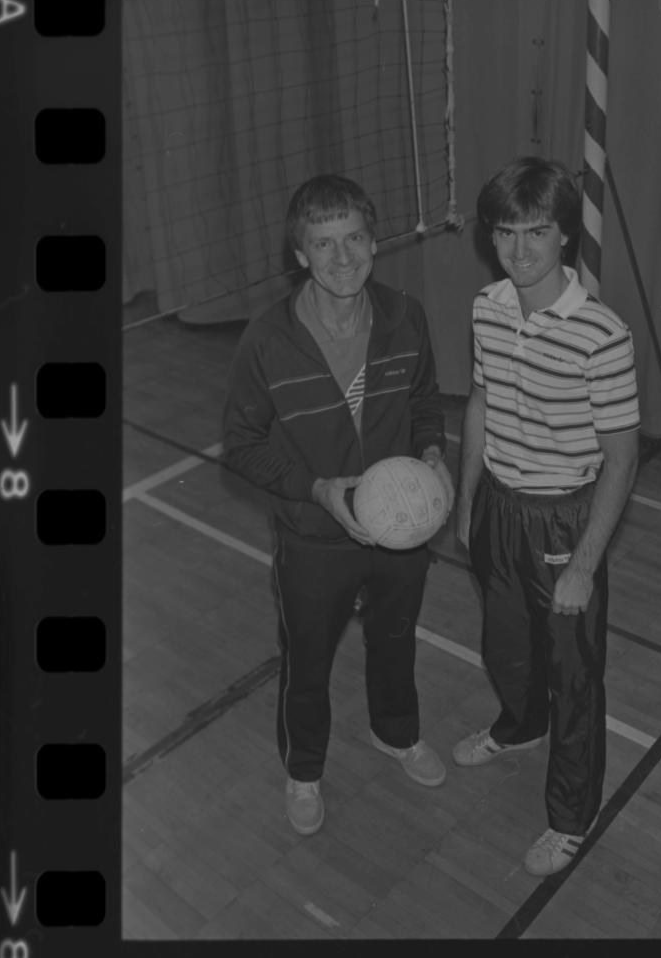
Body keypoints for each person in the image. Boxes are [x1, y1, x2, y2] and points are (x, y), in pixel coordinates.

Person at [222, 174, 454, 836]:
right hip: (314, 537)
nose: (342, 257)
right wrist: (316, 488)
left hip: (400, 533)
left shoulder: (405, 316)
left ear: (374, 243)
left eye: (354, 238)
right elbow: (239, 444)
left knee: (394, 640)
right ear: (300, 255)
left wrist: (432, 454)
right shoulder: (267, 340)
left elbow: (424, 402)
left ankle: (396, 732)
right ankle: (304, 771)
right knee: (307, 664)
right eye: (323, 244)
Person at [453, 156, 640, 876]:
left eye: (535, 231)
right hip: (498, 505)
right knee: (506, 647)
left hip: (564, 520)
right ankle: (518, 725)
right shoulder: (486, 308)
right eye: (505, 231)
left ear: (565, 235)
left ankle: (570, 814)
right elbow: (479, 400)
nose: (519, 249)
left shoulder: (602, 334)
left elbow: (622, 456)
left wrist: (586, 563)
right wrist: (469, 503)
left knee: (574, 676)